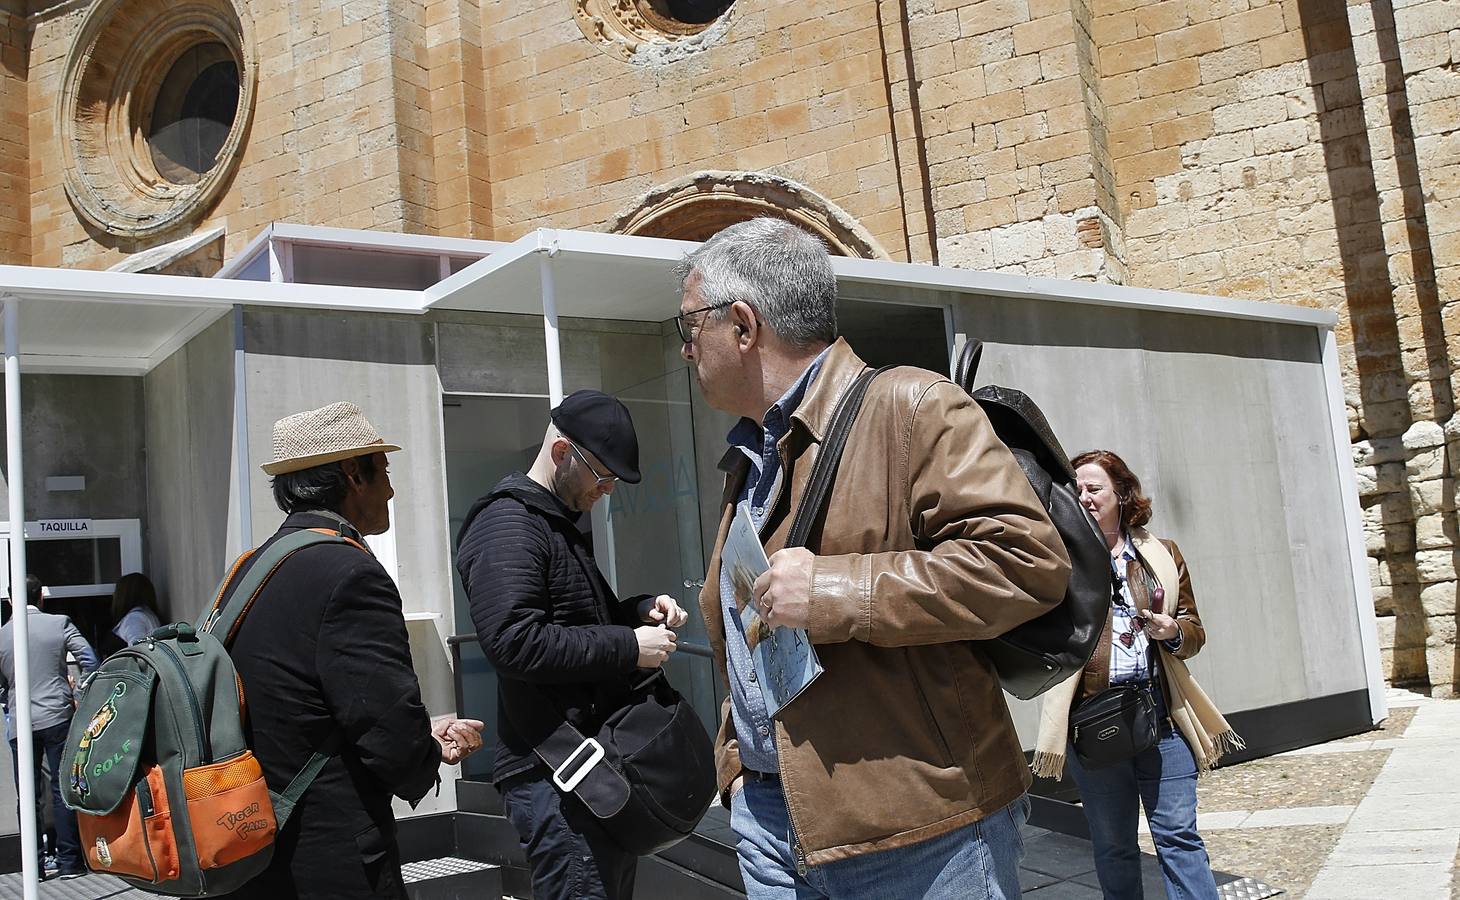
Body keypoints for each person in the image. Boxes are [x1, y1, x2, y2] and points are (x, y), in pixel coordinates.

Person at [674, 218, 1072, 899]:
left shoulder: (913, 406)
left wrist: (835, 592)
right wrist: (738, 768)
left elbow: (1026, 563)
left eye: (688, 328)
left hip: (919, 832)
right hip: (773, 823)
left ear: (742, 325)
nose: (685, 350)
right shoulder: (748, 457)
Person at [222, 401, 484, 900]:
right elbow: (388, 734)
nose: (390, 487)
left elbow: (302, 707)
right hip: (329, 858)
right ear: (351, 473)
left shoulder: (249, 570)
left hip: (251, 844)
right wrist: (431, 747)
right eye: (382, 469)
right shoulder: (350, 573)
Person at [456, 389, 688, 900]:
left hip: (584, 775)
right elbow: (513, 642)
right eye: (601, 476)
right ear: (562, 453)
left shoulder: (551, 522)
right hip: (557, 777)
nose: (606, 490)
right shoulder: (507, 524)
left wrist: (639, 610)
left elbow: (578, 619)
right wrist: (629, 646)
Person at [1033, 449, 1242, 900]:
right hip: (1094, 723)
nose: (1084, 497)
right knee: (1113, 846)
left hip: (1163, 717)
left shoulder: (1161, 554)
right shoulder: (1058, 559)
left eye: (1095, 489)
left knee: (1179, 838)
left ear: (1121, 494)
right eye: (1078, 490)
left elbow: (1194, 631)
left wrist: (1172, 631)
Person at [0, 574, 99, 880]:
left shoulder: (3, 634)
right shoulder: (59, 623)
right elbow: (89, 659)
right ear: (41, 596)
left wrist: (9, 695)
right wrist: (80, 692)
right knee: (62, 790)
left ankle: (35, 867)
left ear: (10, 599)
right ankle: (70, 862)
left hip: (21, 721)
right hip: (57, 714)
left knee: (27, 796)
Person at [108, 572, 162, 650]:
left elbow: (138, 651)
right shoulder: (146, 615)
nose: (113, 595)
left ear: (124, 595)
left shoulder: (134, 619)